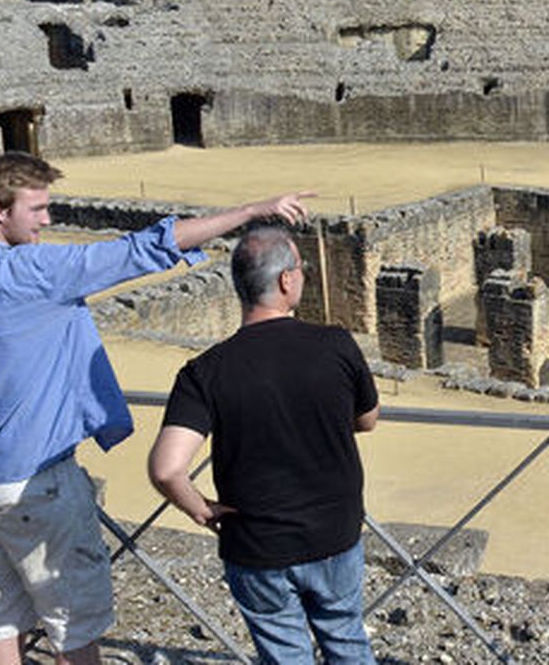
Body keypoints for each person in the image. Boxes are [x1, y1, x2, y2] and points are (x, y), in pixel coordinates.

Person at [0, 151, 313, 665]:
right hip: (36, 485)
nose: (47, 220)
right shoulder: (34, 271)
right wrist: (252, 211)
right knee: (74, 634)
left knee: (1, 628)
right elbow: (148, 249)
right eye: (36, 209)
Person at [148, 226, 379, 665]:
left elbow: (166, 469)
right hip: (334, 532)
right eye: (300, 269)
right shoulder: (335, 344)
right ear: (286, 281)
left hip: (257, 543)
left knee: (284, 656)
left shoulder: (204, 371)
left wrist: (201, 509)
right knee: (347, 639)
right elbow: (367, 419)